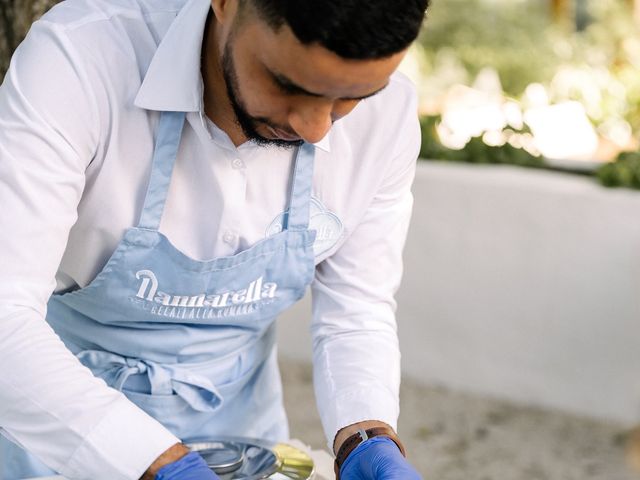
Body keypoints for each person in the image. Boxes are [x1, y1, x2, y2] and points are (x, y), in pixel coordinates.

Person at [0, 0, 429, 478]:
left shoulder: (388, 117)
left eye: (354, 97)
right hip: (52, 424)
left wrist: (366, 434)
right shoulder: (80, 61)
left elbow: (356, 310)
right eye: (288, 84)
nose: (315, 128)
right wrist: (158, 464)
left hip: (248, 439)